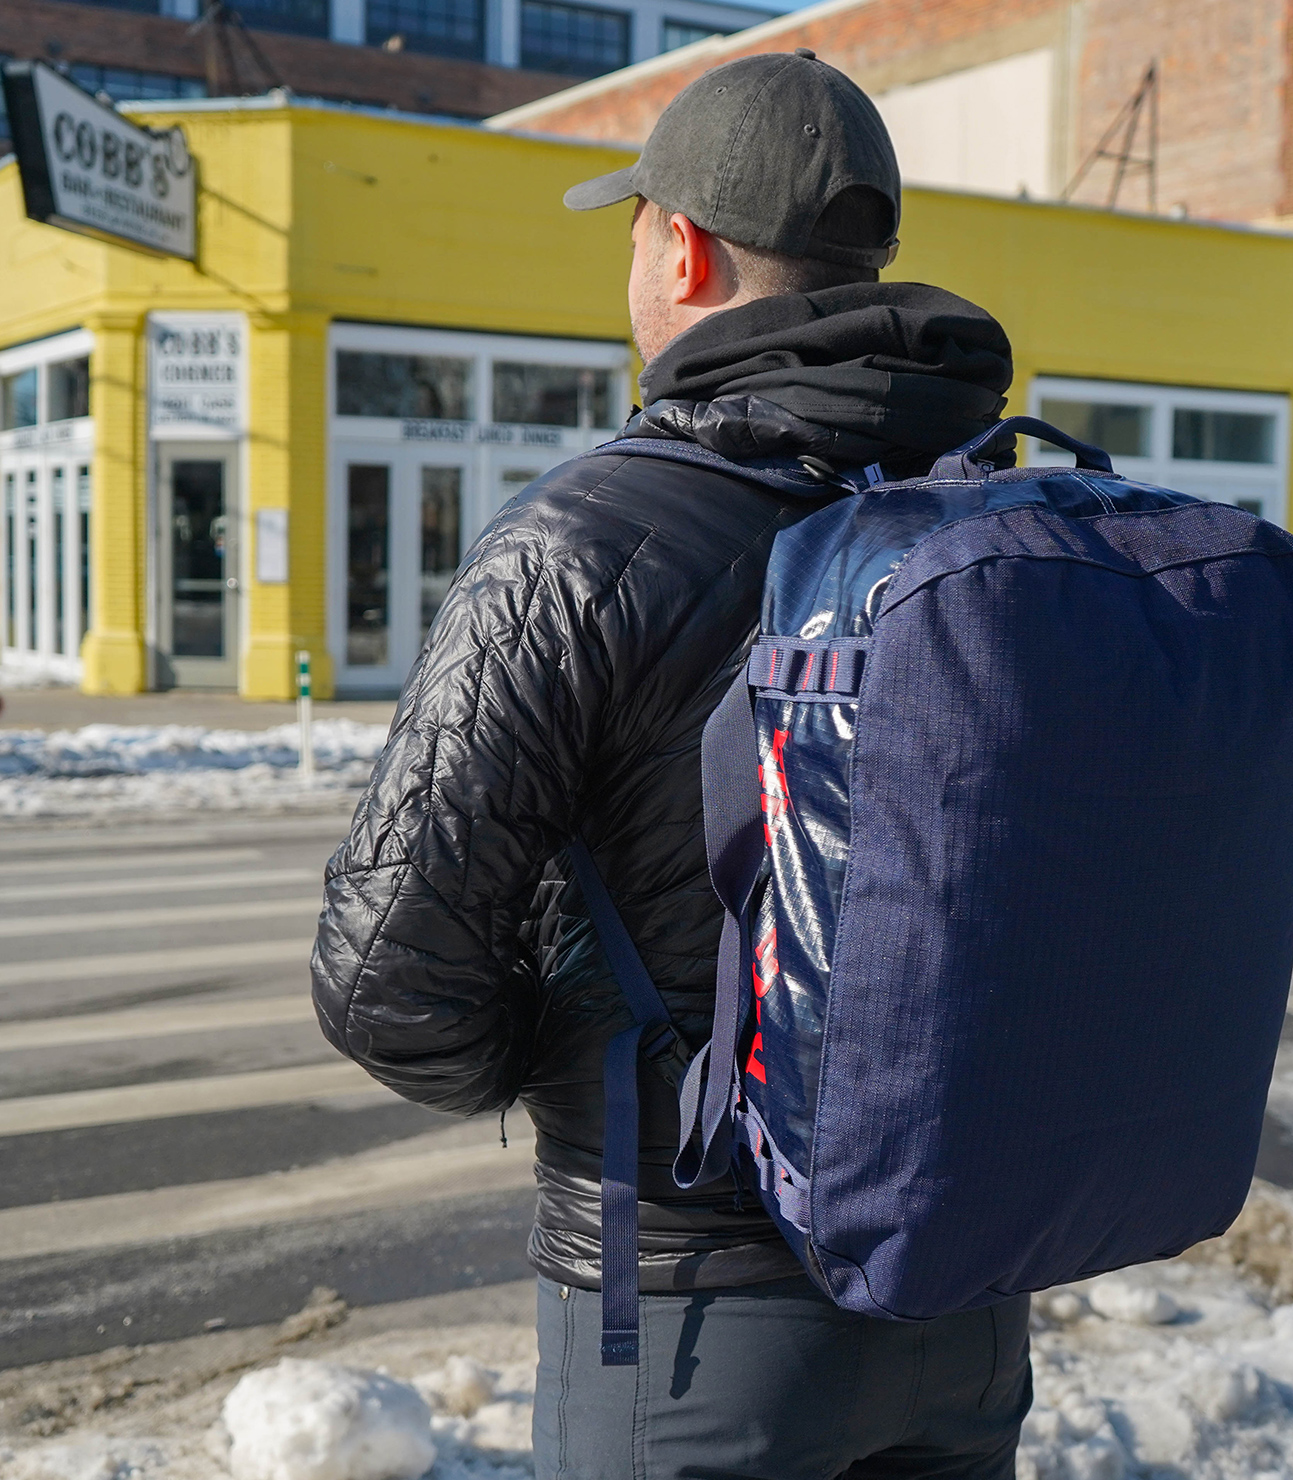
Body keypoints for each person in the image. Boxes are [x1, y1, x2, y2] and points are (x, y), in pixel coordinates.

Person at [311, 50, 1030, 1478]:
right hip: (960, 1293)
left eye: (635, 225)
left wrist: (593, 1063)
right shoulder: (986, 519)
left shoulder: (575, 548)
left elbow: (383, 976)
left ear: (682, 250)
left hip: (695, 1318)